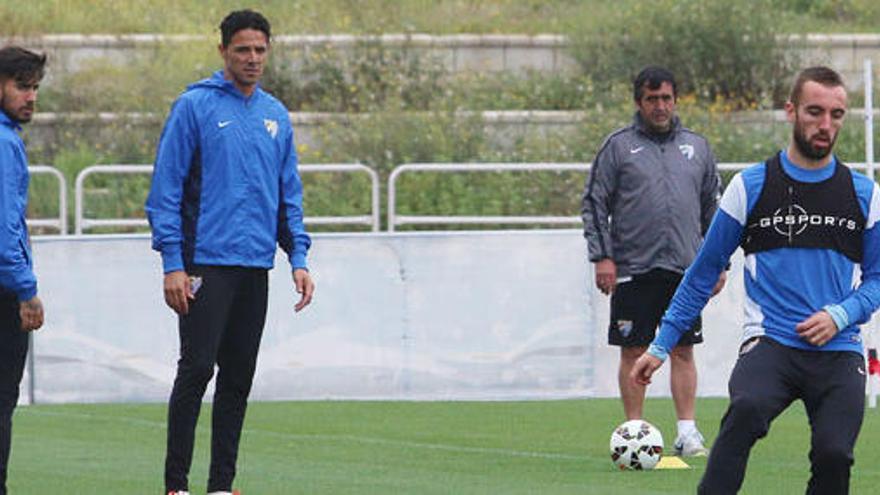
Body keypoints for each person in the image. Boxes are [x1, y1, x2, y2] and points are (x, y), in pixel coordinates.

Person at [632, 66, 880, 494]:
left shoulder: (865, 194)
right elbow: (702, 273)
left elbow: (877, 280)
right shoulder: (751, 186)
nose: (825, 125)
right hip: (771, 343)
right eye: (815, 112)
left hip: (839, 350)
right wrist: (660, 344)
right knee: (746, 409)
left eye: (836, 115)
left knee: (834, 454)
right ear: (790, 111)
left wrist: (840, 315)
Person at [145, 9, 315, 495]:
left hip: (253, 265)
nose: (253, 59)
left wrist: (297, 257)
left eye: (260, 50)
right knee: (197, 368)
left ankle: (221, 486)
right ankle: (176, 486)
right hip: (204, 263)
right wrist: (173, 263)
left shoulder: (275, 115)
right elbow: (166, 191)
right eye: (243, 50)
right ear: (223, 51)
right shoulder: (194, 107)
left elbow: (288, 195)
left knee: (238, 377)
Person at [581, 66, 724, 456]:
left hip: (686, 269)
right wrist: (602, 256)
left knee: (682, 349)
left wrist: (718, 265)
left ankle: (687, 432)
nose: (659, 106)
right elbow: (594, 203)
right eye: (651, 99)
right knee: (633, 349)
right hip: (633, 267)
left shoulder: (698, 147)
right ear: (638, 102)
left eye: (666, 98)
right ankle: (634, 432)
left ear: (676, 100)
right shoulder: (618, 147)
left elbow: (713, 210)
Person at [0, 46, 46, 495]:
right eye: (21, 86)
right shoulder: (3, 142)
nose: (30, 96)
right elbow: (3, 227)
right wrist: (26, 290)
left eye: (34, 87)